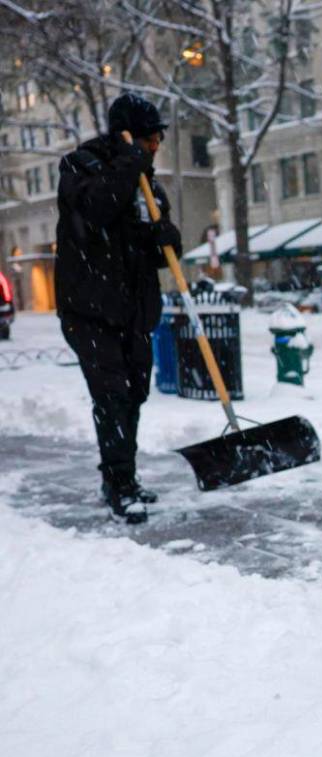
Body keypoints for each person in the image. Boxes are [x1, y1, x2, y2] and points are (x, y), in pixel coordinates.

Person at [55, 93, 182, 523]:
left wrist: (165, 238)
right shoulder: (80, 167)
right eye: (150, 138)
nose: (155, 147)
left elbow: (157, 251)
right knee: (112, 397)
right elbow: (96, 210)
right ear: (128, 137)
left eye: (158, 139)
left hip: (133, 312)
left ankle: (124, 475)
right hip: (90, 309)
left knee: (134, 395)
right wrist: (130, 162)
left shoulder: (147, 183)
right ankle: (118, 485)